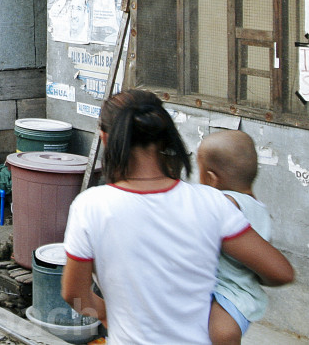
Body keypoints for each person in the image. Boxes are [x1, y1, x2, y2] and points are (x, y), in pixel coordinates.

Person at [62, 89, 294, 345]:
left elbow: (75, 294)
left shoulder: (91, 206)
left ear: (106, 139)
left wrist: (107, 313)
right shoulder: (212, 203)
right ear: (165, 138)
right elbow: (280, 272)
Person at [199, 130, 275, 345]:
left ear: (211, 179)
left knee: (220, 334)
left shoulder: (226, 203)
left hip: (230, 291)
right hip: (243, 289)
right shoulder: (258, 208)